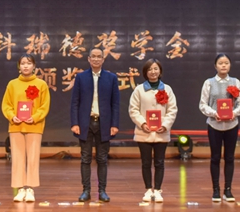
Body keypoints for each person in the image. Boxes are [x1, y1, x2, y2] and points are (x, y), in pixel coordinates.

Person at [70, 48, 120, 202]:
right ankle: (86, 190)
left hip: (104, 123)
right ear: (89, 59)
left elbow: (115, 104)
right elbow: (75, 102)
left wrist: (114, 124)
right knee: (85, 158)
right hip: (85, 123)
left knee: (102, 159)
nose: (96, 59)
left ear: (103, 59)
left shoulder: (111, 78)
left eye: (99, 57)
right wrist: (75, 123)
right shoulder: (81, 77)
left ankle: (102, 191)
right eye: (94, 56)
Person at [1, 54, 50, 202]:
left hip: (34, 126)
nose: (26, 66)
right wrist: (12, 116)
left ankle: (30, 189)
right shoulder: (12, 84)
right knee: (17, 159)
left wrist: (34, 117)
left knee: (33, 158)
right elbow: (6, 104)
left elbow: (44, 106)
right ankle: (20, 188)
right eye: (23, 63)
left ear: (34, 66)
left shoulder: (41, 84)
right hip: (16, 126)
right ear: (19, 66)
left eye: (29, 63)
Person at [198, 53, 240, 202]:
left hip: (232, 124)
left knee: (230, 157)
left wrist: (233, 113)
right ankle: (216, 190)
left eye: (226, 63)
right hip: (214, 124)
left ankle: (228, 190)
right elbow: (202, 104)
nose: (223, 65)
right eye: (220, 63)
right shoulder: (209, 83)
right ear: (215, 66)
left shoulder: (236, 82)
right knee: (215, 157)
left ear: (230, 65)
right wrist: (214, 114)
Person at [128, 58, 178, 203]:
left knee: (159, 162)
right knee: (145, 162)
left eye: (156, 69)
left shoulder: (167, 89)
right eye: (150, 69)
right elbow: (133, 110)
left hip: (161, 132)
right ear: (145, 72)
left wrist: (165, 125)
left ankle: (157, 190)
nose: (153, 72)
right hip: (144, 132)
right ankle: (148, 189)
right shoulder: (139, 90)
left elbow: (172, 110)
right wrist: (142, 123)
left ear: (160, 71)